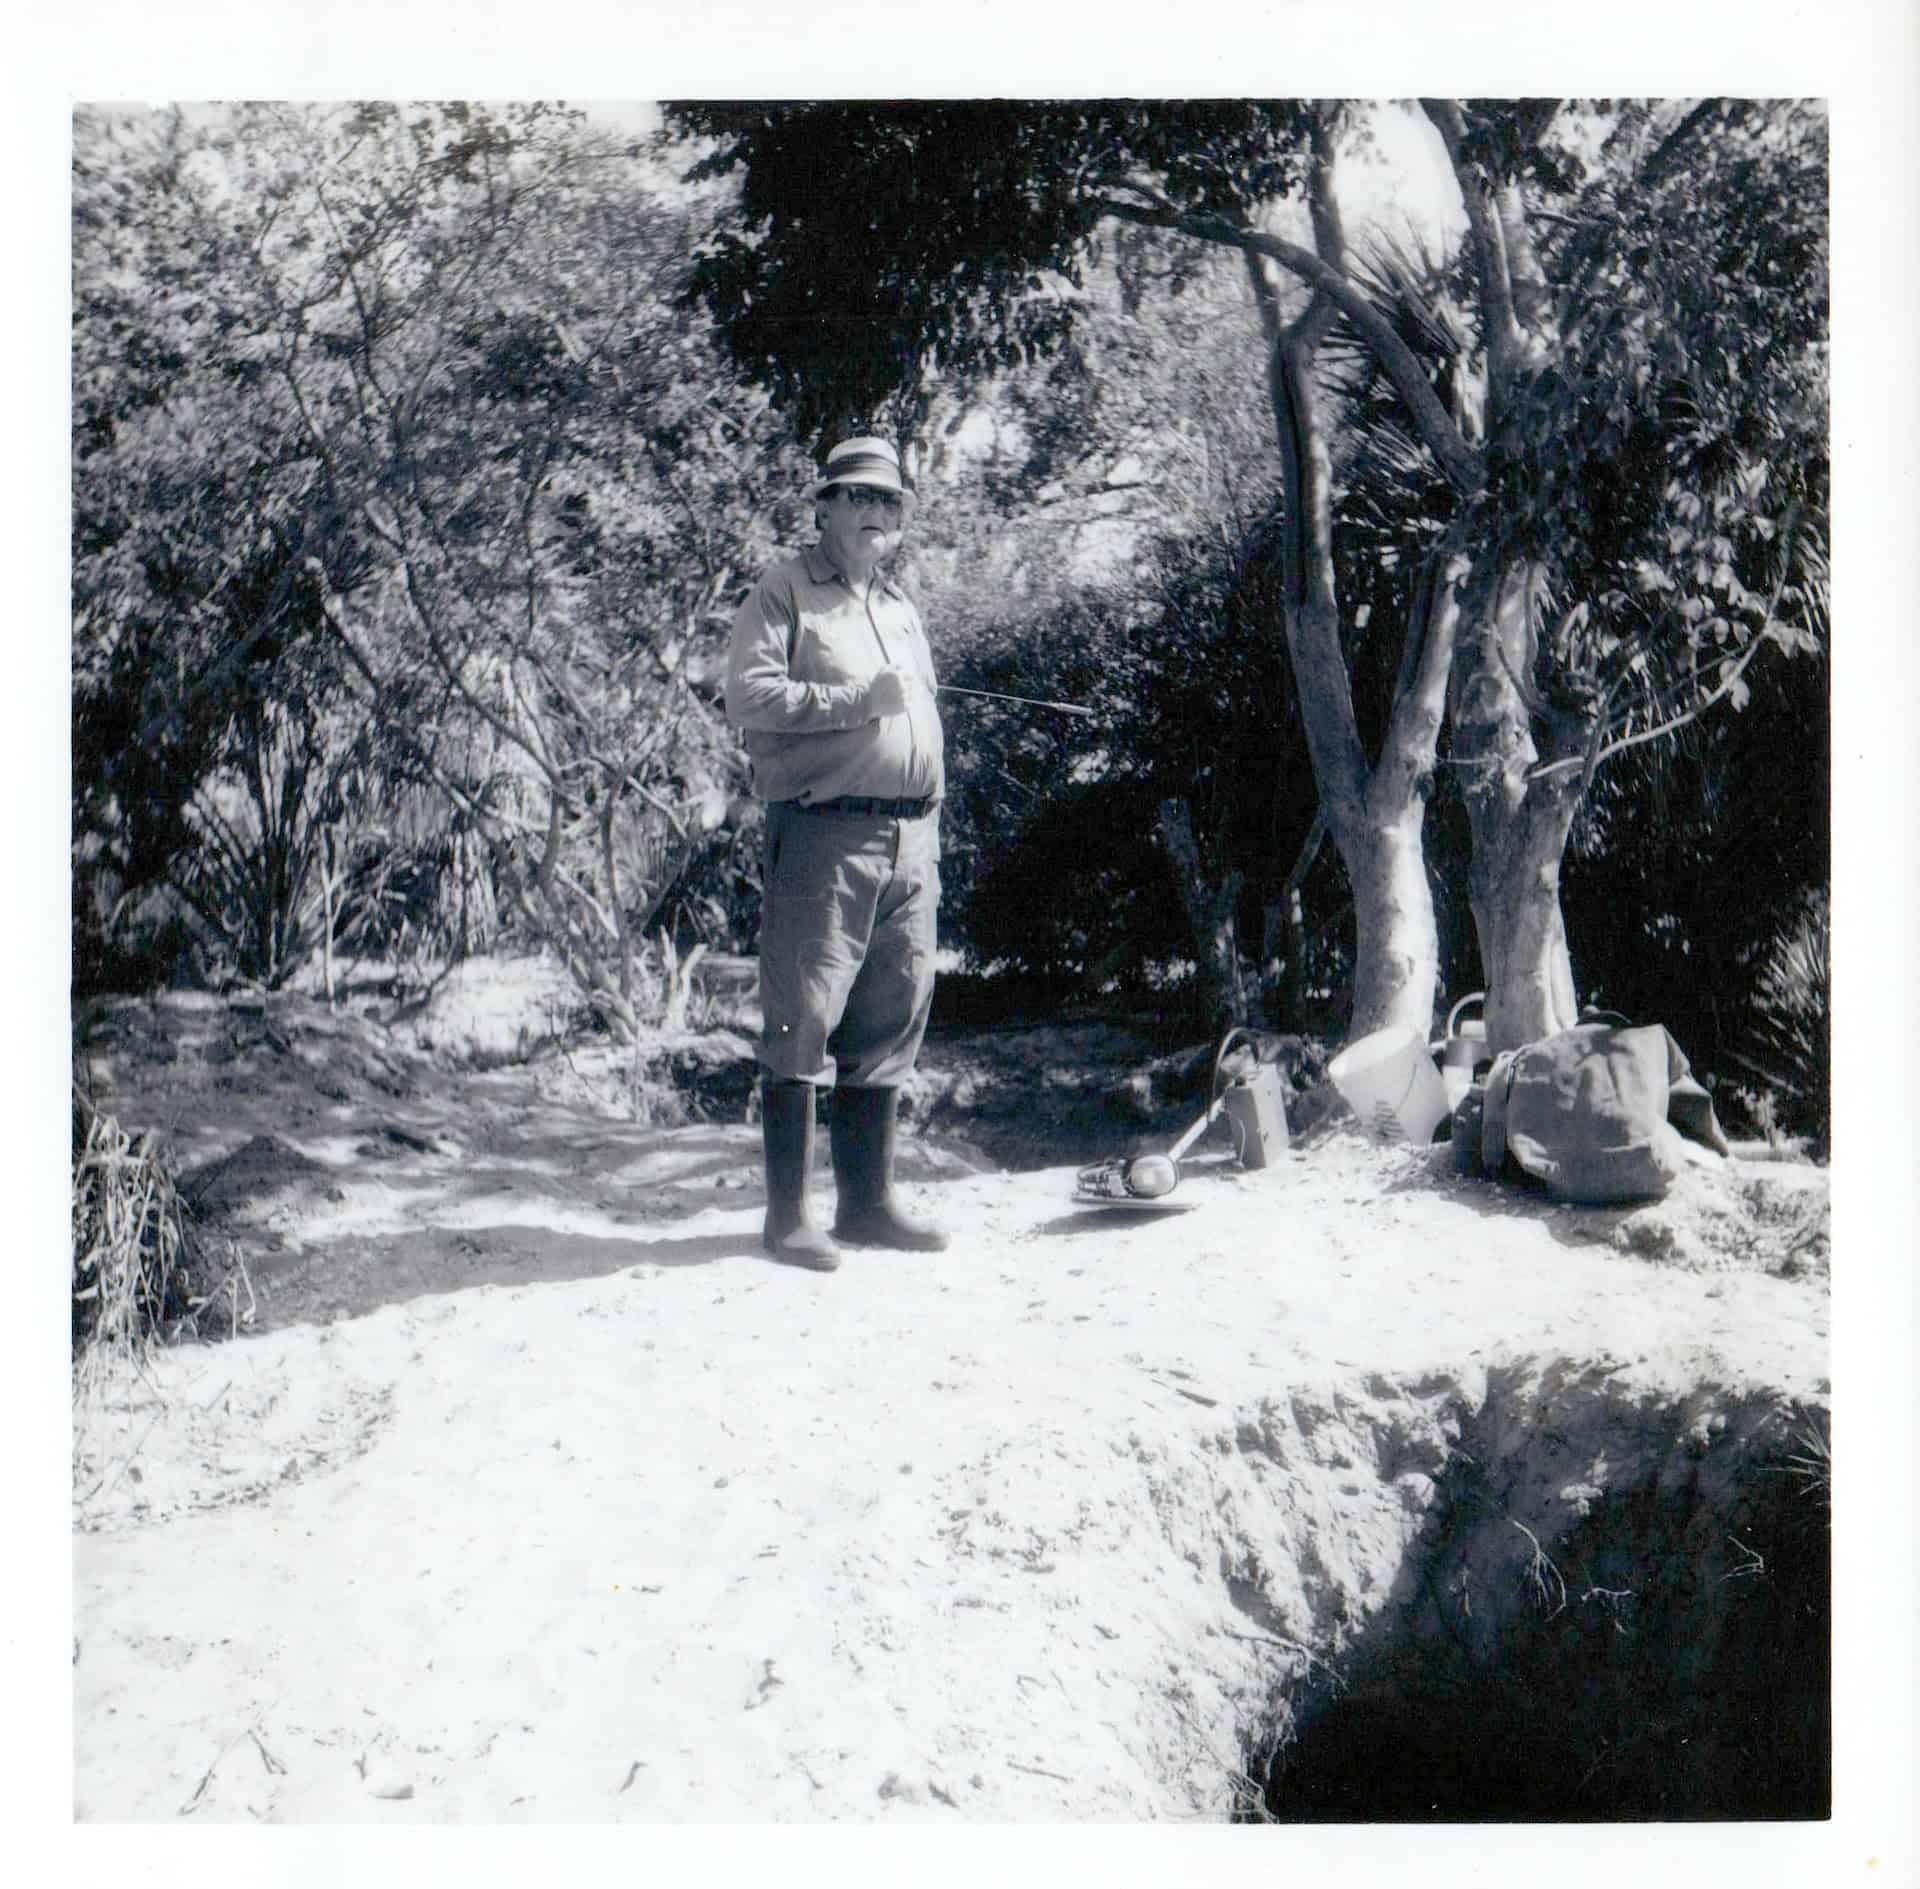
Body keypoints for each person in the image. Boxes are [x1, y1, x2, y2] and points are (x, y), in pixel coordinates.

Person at [724, 436, 950, 1270]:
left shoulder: (898, 606)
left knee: (891, 1015)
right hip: (825, 834)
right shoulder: (784, 590)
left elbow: (917, 713)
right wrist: (859, 700)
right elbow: (749, 697)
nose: (874, 512)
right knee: (802, 1018)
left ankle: (866, 1205)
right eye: (858, 496)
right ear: (824, 507)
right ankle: (788, 1219)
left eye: (888, 500)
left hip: (909, 840)